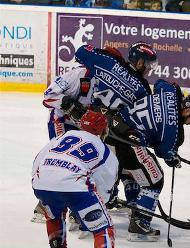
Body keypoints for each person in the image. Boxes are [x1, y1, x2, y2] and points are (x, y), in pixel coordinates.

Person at [33, 42, 157, 225]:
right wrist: (71, 106)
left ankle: (82, 205)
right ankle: (45, 205)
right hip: (63, 123)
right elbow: (48, 96)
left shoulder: (111, 84)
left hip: (86, 127)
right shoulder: (78, 75)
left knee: (91, 162)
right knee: (63, 161)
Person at [32, 110, 131, 248]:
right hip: (74, 187)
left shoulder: (62, 136)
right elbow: (105, 187)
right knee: (104, 225)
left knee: (54, 215)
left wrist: (40, 186)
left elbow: (38, 159)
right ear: (103, 130)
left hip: (42, 183)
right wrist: (104, 202)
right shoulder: (104, 150)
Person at [106, 79, 190, 241]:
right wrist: (172, 158)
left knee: (131, 170)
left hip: (111, 130)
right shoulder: (174, 130)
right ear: (187, 108)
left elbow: (160, 83)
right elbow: (163, 152)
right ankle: (139, 224)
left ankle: (135, 203)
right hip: (129, 141)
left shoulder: (168, 92)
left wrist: (176, 92)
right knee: (155, 179)